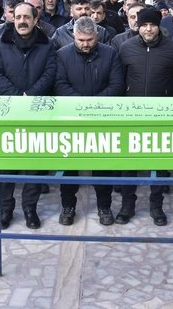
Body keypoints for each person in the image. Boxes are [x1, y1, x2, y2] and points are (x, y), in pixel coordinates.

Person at [0, 3, 57, 229]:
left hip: (37, 111)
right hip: (8, 111)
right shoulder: (0, 43)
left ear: (36, 20)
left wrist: (32, 95)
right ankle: (5, 209)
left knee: (34, 163)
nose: (21, 21)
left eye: (27, 17)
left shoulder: (47, 45)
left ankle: (30, 208)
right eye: (18, 17)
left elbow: (50, 73)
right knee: (5, 162)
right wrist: (18, 96)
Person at [54, 16, 125, 226]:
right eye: (81, 40)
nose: (85, 44)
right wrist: (81, 104)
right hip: (71, 119)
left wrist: (95, 104)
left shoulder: (110, 53)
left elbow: (117, 85)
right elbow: (59, 84)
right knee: (69, 166)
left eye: (90, 40)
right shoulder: (62, 55)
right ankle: (68, 206)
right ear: (74, 36)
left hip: (102, 119)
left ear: (97, 36)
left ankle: (104, 207)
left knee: (102, 166)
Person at [117, 8, 173, 226]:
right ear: (138, 26)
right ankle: (127, 205)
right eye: (144, 25)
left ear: (158, 26)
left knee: (159, 163)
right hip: (131, 115)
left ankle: (156, 206)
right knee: (129, 163)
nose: (148, 29)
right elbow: (119, 81)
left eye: (152, 25)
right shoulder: (126, 48)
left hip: (161, 115)